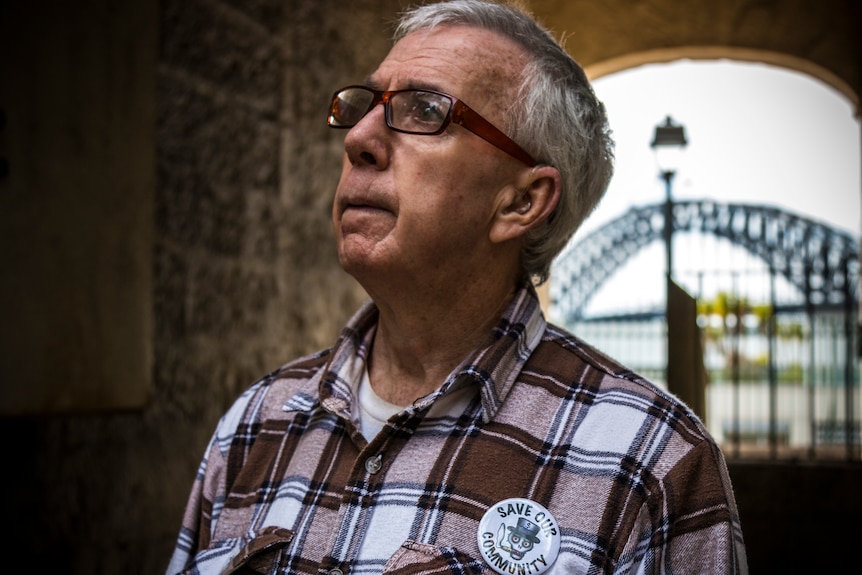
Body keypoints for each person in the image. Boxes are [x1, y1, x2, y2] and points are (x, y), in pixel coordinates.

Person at [166, 1, 748, 573]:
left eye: (425, 110)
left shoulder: (652, 462)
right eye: (365, 105)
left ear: (521, 202)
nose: (359, 139)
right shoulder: (254, 424)